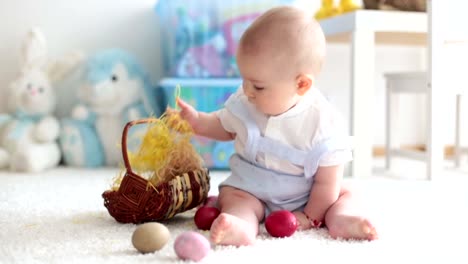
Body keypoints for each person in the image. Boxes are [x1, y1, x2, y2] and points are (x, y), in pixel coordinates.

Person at [172, 6, 378, 246]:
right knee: (234, 198)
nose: (247, 91)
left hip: (306, 195)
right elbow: (225, 126)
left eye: (258, 86)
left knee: (345, 193)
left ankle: (343, 219)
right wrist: (198, 121)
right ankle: (240, 225)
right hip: (251, 188)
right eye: (244, 79)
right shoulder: (246, 101)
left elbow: (326, 182)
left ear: (301, 84)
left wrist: (309, 216)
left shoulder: (323, 123)